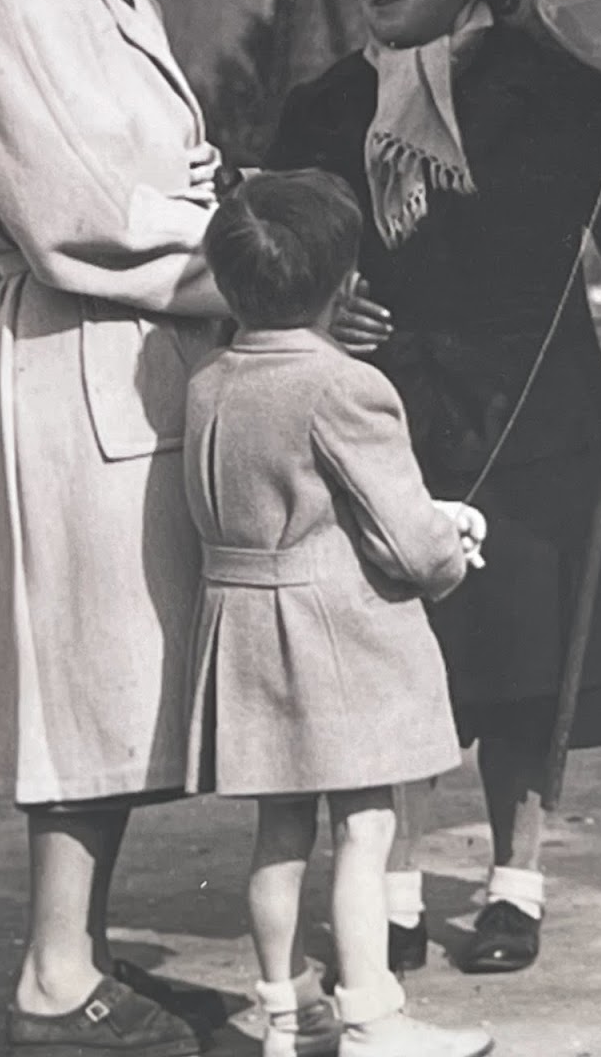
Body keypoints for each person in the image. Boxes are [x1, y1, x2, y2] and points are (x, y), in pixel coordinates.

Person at [267, 0, 601, 976]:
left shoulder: (558, 80)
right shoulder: (322, 109)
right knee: (398, 660)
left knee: (524, 656)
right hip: (388, 415)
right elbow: (281, 247)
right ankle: (397, 893)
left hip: (532, 400)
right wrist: (327, 303)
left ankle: (517, 882)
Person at [0, 0, 230, 1052]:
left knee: (127, 679)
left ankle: (79, 957)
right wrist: (237, 252)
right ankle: (53, 975)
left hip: (147, 346)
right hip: (88, 345)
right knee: (86, 673)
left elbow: (156, 169)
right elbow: (75, 207)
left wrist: (218, 197)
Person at [182, 169, 493, 1057]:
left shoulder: (207, 380)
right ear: (342, 281)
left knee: (278, 832)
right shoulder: (345, 385)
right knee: (365, 827)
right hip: (334, 639)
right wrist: (452, 543)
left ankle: (287, 1015)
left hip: (241, 631)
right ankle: (372, 1018)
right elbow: (407, 537)